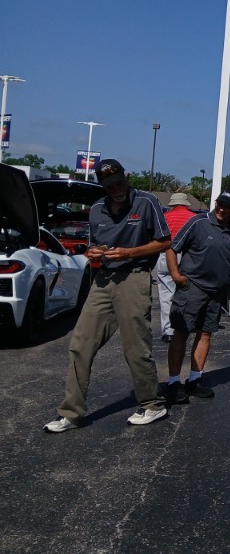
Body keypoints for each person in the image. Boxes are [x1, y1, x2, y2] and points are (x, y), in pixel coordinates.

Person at [44, 158, 171, 432]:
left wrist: (129, 252)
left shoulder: (146, 202)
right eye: (110, 186)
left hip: (134, 276)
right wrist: (93, 253)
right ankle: (71, 413)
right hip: (103, 280)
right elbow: (94, 245)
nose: (117, 189)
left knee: (135, 347)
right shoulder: (96, 209)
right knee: (80, 345)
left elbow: (164, 242)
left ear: (126, 177)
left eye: (119, 182)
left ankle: (152, 404)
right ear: (103, 186)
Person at [163, 189, 230, 404]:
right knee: (181, 332)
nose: (221, 209)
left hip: (216, 293)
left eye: (227, 207)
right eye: (219, 204)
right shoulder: (198, 222)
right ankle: (173, 382)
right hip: (192, 288)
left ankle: (195, 379)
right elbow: (171, 247)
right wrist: (177, 276)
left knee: (205, 334)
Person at [155, 192, 195, 341]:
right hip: (187, 257)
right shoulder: (194, 218)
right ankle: (184, 326)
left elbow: (158, 238)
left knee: (166, 294)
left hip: (166, 255)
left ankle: (169, 330)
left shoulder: (165, 218)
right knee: (187, 293)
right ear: (186, 204)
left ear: (172, 204)